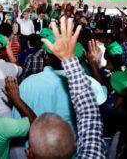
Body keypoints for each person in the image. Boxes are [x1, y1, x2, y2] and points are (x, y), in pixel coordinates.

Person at [26, 17, 105, 159]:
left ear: (29, 154)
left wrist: (68, 59)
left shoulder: (26, 84)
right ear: (76, 146)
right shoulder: (93, 155)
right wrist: (69, 59)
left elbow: (89, 114)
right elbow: (89, 113)